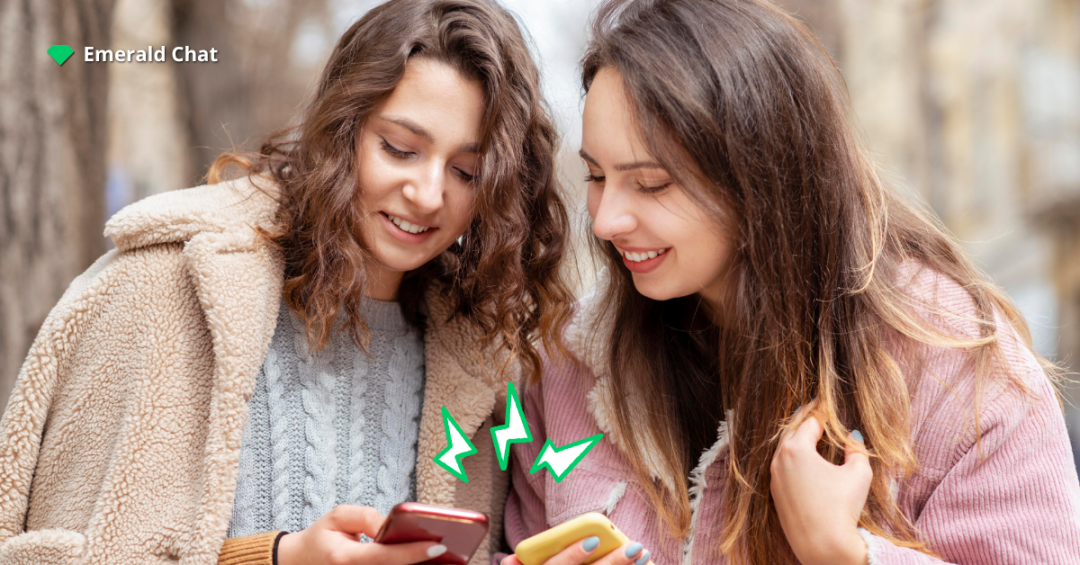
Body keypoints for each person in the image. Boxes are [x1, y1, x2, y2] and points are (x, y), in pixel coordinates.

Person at [500, 1, 1080, 564]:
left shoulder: (954, 364)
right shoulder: (566, 362)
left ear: (760, 180)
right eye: (598, 176)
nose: (605, 221)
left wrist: (844, 554)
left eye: (651, 184)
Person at [0, 1, 574, 564]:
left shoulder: (479, 358)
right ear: (341, 128)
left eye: (466, 172)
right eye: (400, 149)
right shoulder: (166, 283)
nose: (427, 194)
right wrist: (277, 558)